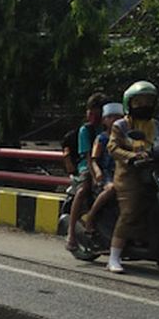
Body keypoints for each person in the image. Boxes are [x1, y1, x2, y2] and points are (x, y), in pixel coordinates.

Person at [105, 81, 159, 274]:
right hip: (129, 174)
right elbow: (112, 148)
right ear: (129, 103)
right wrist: (131, 157)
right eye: (139, 102)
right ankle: (114, 257)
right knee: (129, 211)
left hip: (153, 171)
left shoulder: (156, 125)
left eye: (149, 101)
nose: (144, 105)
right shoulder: (120, 125)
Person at [65, 92, 106, 251]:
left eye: (95, 110)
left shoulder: (110, 127)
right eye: (90, 110)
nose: (91, 114)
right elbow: (88, 157)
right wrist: (95, 174)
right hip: (87, 166)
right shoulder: (86, 130)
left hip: (106, 165)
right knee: (83, 190)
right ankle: (71, 233)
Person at [81, 101, 124, 230]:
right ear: (104, 120)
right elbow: (94, 159)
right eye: (111, 117)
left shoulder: (125, 138)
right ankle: (91, 215)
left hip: (122, 172)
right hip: (107, 173)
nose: (114, 120)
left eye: (118, 117)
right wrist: (97, 172)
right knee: (111, 189)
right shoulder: (101, 138)